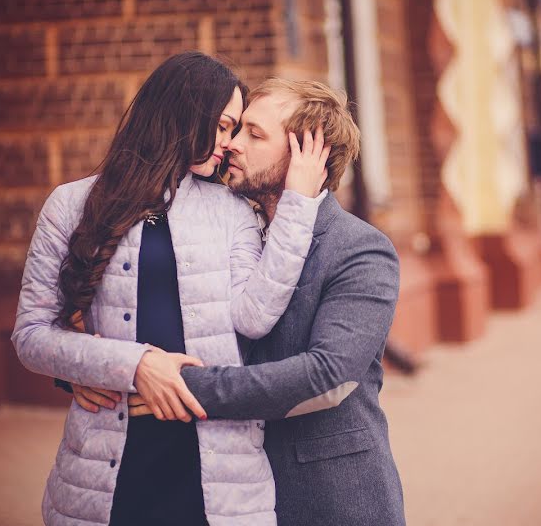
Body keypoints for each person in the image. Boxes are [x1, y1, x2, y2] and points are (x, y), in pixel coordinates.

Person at [11, 52, 330, 526]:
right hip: (108, 458)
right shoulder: (72, 203)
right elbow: (32, 335)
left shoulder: (231, 211)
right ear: (184, 113)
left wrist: (300, 204)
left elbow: (255, 316)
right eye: (223, 127)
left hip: (216, 464)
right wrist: (134, 365)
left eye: (238, 130)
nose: (229, 143)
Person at [120, 78, 407, 525]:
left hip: (330, 498)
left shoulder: (360, 250)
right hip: (227, 493)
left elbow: (328, 375)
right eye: (236, 130)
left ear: (308, 154)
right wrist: (97, 369)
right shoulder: (225, 232)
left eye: (254, 134)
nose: (231, 144)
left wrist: (184, 386)